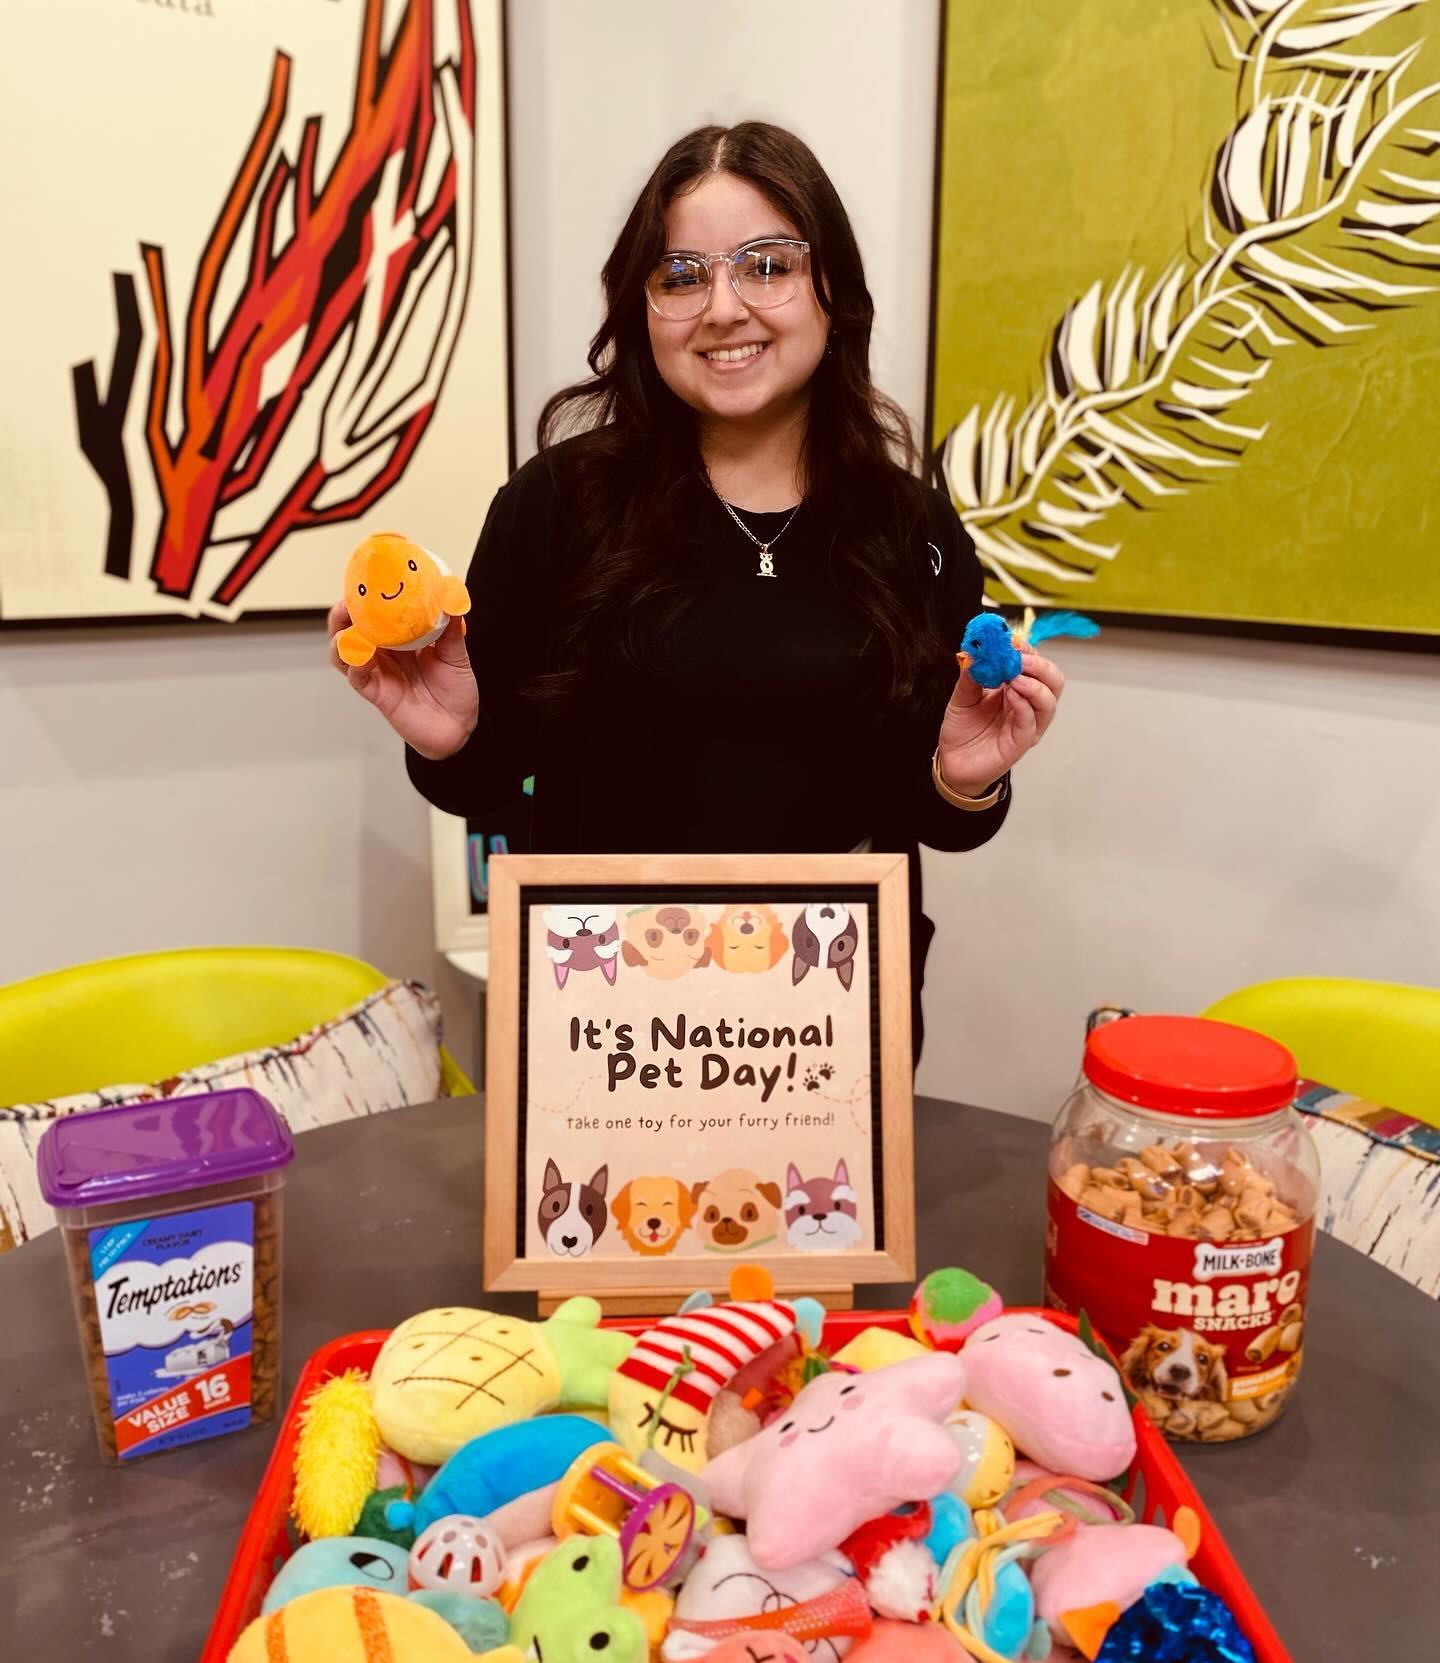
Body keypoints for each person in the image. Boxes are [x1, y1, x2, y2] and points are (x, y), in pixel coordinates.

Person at [328, 122, 1064, 1062]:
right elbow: (483, 784)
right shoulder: (556, 504)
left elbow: (932, 824)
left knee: (806, 1220)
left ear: (832, 289)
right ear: (643, 307)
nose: (723, 307)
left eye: (768, 265)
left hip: (824, 1025)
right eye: (682, 275)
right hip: (604, 1014)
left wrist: (964, 782)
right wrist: (451, 738)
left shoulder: (908, 525)